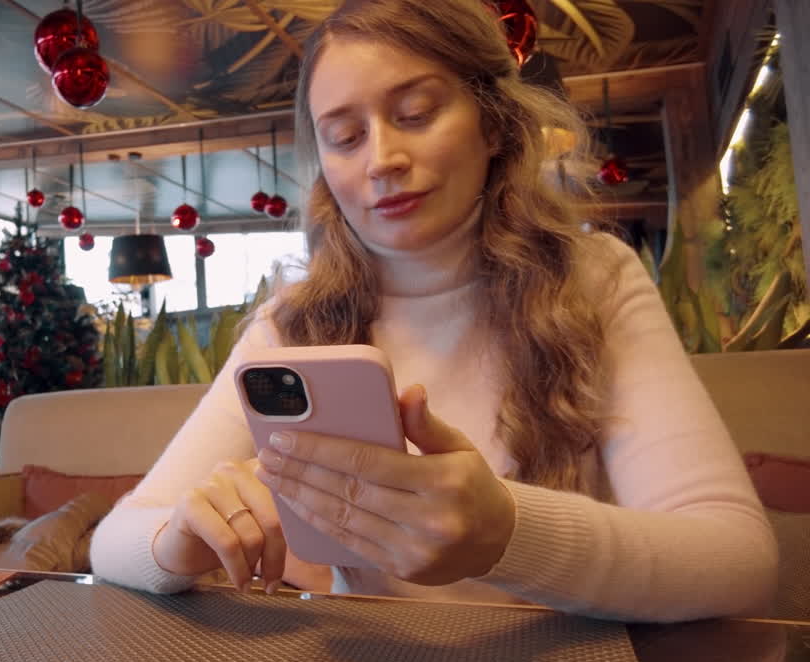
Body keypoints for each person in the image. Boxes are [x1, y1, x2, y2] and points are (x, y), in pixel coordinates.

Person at [89, 0, 779, 622]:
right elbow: (113, 542)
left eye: (416, 114)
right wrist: (181, 536)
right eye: (344, 136)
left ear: (493, 125)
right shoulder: (293, 322)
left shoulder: (594, 280)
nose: (382, 159)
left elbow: (737, 560)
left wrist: (508, 533)